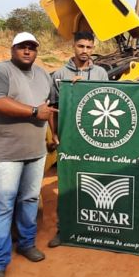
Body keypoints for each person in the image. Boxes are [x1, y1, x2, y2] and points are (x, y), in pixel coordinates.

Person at [0, 32, 57, 277]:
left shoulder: (44, 75)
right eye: (22, 47)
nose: (27, 51)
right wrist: (34, 112)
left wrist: (53, 133)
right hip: (4, 152)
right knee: (2, 204)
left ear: (36, 50)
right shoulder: (0, 72)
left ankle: (26, 244)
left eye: (31, 47)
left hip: (35, 150)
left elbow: (48, 108)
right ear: (12, 49)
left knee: (29, 200)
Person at [47, 30, 109, 248]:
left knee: (94, 183)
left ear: (93, 48)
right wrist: (55, 135)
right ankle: (64, 230)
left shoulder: (101, 73)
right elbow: (52, 108)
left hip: (94, 140)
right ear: (73, 47)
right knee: (67, 184)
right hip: (69, 139)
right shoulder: (59, 74)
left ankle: (92, 229)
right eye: (81, 46)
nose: (84, 51)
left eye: (89, 47)